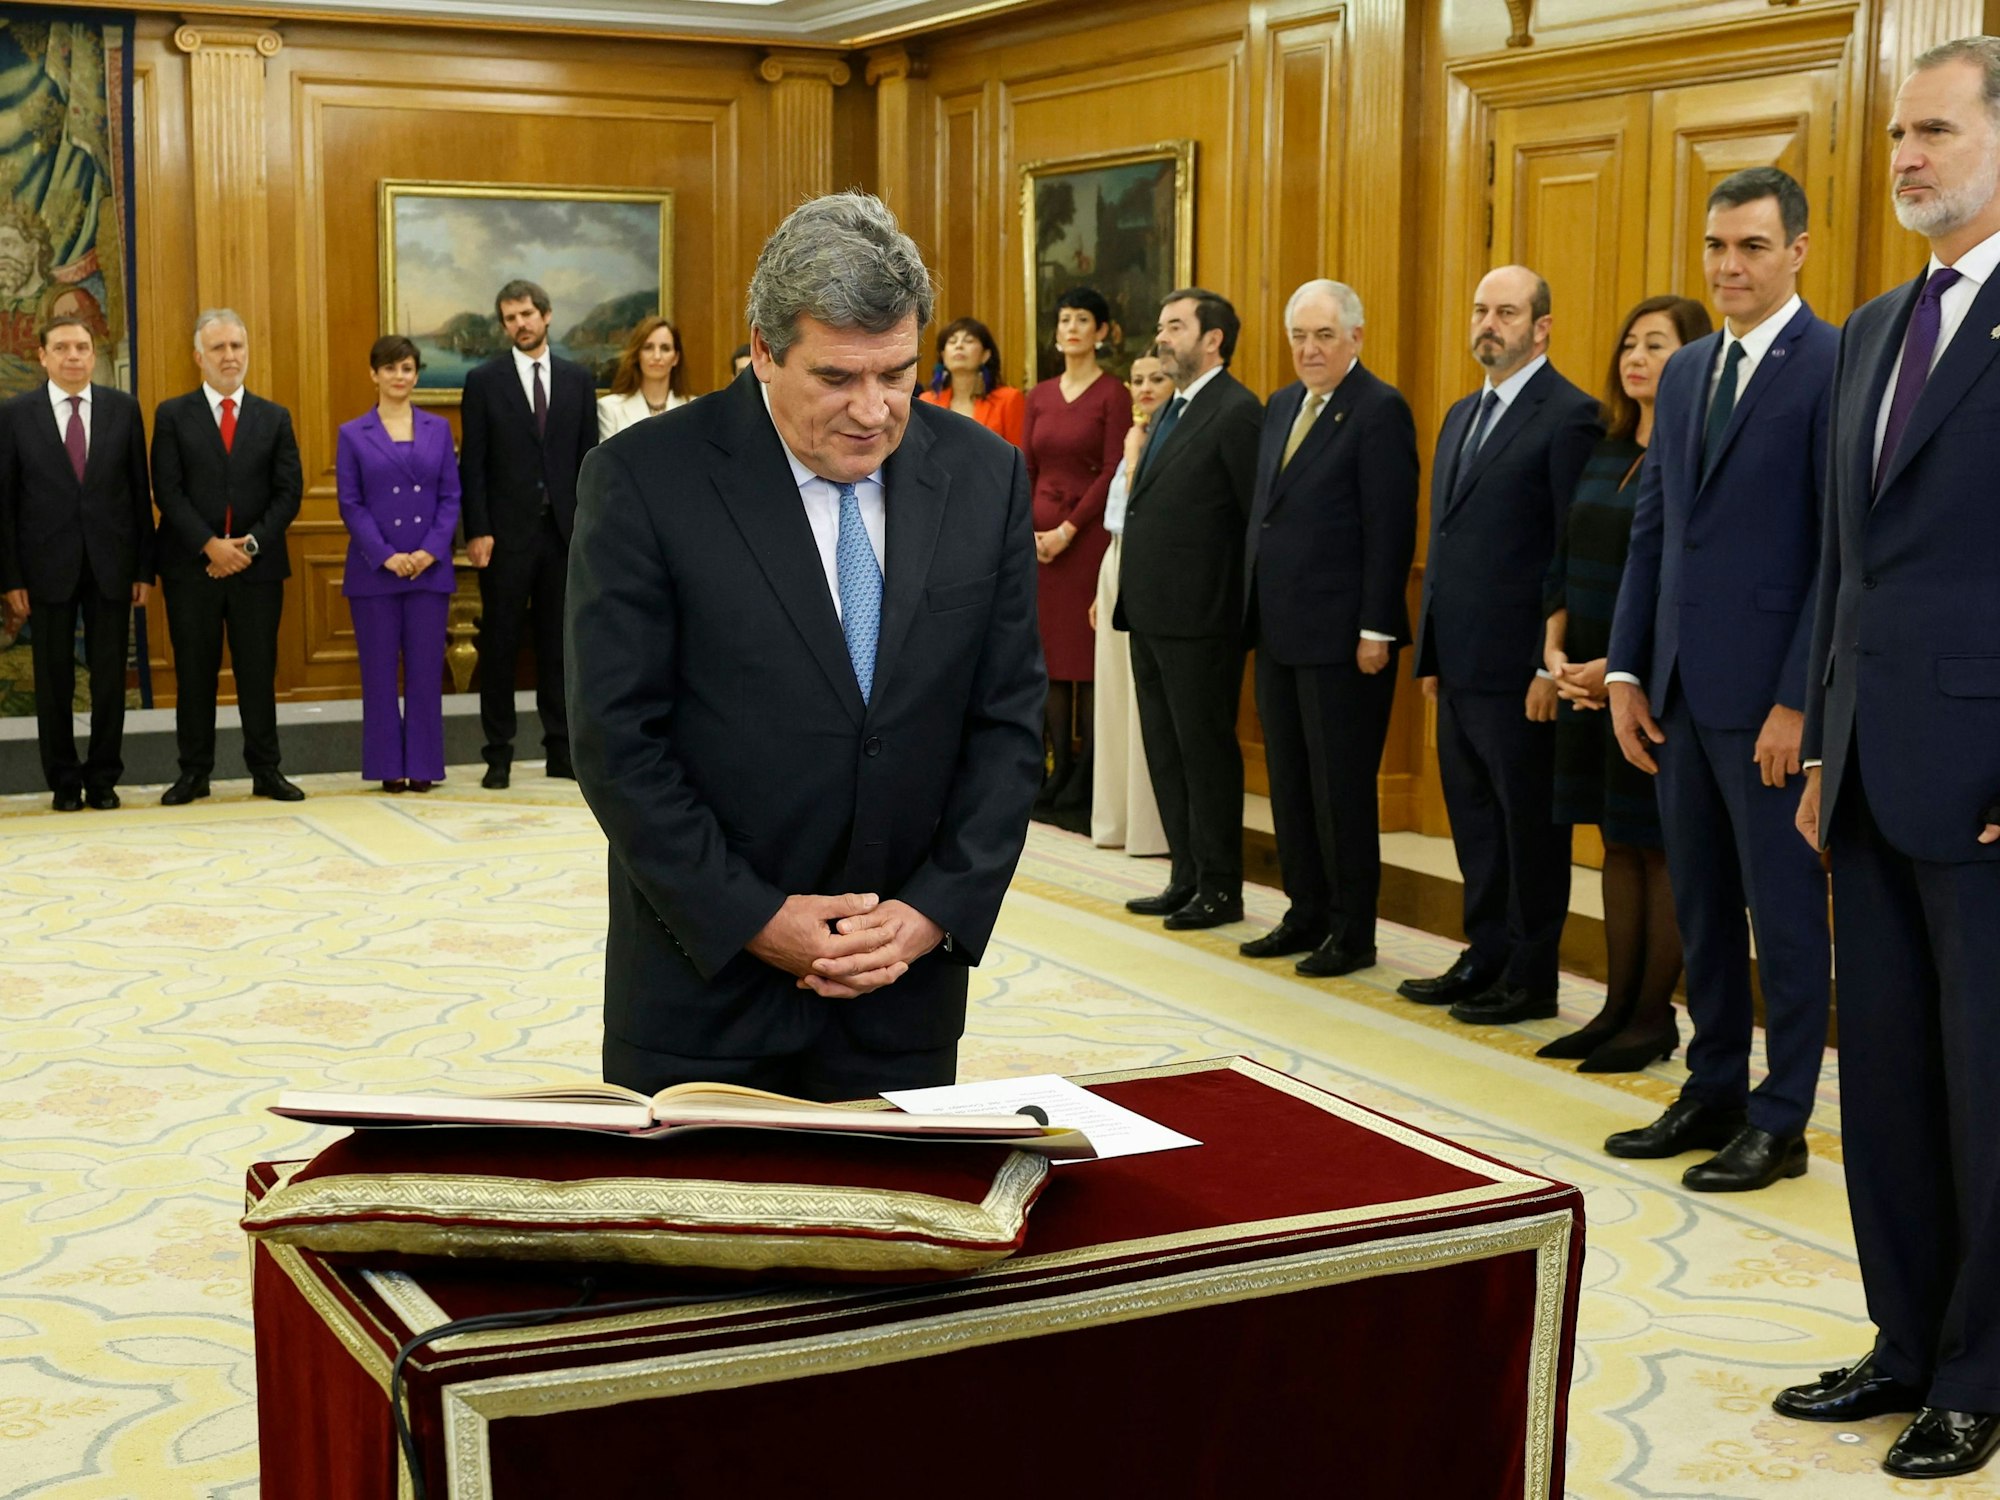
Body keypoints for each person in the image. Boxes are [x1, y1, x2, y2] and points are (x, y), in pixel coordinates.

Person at [567, 191, 1044, 1100]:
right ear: (761, 350)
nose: (874, 410)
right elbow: (617, 740)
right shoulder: (644, 480)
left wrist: (933, 910)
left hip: (901, 989)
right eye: (837, 378)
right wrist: (753, 916)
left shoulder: (983, 475)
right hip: (704, 988)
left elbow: (1008, 723)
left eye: (897, 373)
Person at [1777, 38, 2000, 1480]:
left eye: (1932, 130)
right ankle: (1905, 1337)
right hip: (1866, 764)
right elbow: (1843, 560)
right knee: (1896, 1083)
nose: (1905, 155)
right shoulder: (1869, 327)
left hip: (1985, 783)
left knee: (1991, 1087)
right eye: (1895, 135)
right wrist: (1816, 736)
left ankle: (1983, 1369)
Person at [1601, 168, 1836, 1191]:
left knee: (1780, 919)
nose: (1727, 265)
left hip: (1769, 706)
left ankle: (1779, 1117)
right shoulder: (1688, 369)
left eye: (1748, 246)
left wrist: (1798, 700)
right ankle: (1711, 1088)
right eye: (1713, 247)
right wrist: (1622, 669)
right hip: (1678, 692)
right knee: (1698, 905)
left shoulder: (1833, 363)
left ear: (1794, 252)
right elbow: (1651, 529)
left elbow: (1835, 552)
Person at [1400, 266, 1601, 1021]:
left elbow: (1567, 551)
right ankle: (1484, 953)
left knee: (1527, 831)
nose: (1490, 323)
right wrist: (1432, 656)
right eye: (1481, 309)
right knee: (1476, 822)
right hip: (1459, 665)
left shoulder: (1570, 416)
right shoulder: (1460, 413)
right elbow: (1445, 544)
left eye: (1507, 312)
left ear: (1541, 326)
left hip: (1523, 670)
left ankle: (1530, 974)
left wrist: (1550, 665)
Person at [1537, 294, 1710, 1069]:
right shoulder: (1605, 448)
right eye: (1630, 344)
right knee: (1615, 843)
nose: (1636, 359)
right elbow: (1566, 548)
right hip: (1585, 677)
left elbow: (1688, 577)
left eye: (1658, 345)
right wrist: (1555, 641)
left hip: (1653, 681)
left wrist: (1622, 667)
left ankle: (1652, 1016)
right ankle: (1615, 1007)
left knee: (1660, 847)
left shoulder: (1699, 446)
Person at [1239, 279, 1417, 977]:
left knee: (1340, 789)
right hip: (1280, 630)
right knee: (1289, 781)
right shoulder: (1282, 405)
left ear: (1356, 339)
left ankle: (1352, 932)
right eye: (1299, 337)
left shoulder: (1379, 410)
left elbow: (1390, 527)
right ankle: (1304, 910)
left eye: (1323, 336)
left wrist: (1378, 626)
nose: (1309, 350)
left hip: (1347, 639)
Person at [1114, 287, 1262, 928]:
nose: (1161, 337)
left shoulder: (1236, 411)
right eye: (1160, 323)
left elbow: (1253, 522)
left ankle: (1221, 886)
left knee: (1204, 753)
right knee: (1165, 750)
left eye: (1175, 326)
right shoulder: (1169, 409)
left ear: (1213, 340)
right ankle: (1185, 874)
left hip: (1203, 619)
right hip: (1150, 611)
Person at [150, 309, 306, 805]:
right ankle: (194, 773)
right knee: (194, 674)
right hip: (191, 567)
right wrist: (210, 545)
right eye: (218, 348)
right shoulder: (173, 415)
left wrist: (249, 547)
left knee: (257, 672)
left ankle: (266, 770)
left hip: (257, 570)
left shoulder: (274, 416)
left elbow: (290, 492)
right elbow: (167, 490)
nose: (229, 356)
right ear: (199, 357)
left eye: (237, 346)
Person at [0, 314, 153, 811]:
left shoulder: (123, 410)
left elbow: (137, 494)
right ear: (42, 356)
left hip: (112, 565)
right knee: (54, 681)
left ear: (93, 355)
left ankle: (104, 777)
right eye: (62, 348)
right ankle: (64, 780)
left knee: (109, 678)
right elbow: (4, 504)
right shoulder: (15, 416)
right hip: (45, 569)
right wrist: (11, 577)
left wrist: (142, 570)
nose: (73, 356)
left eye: (82, 347)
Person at [459, 278, 597, 788]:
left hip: (563, 536)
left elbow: (589, 461)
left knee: (560, 648)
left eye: (526, 314)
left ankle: (561, 752)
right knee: (498, 648)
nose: (519, 324)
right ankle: (498, 754)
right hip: (503, 538)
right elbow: (471, 464)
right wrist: (477, 530)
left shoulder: (578, 380)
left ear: (546, 316)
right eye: (509, 317)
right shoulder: (483, 381)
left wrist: (588, 528)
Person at [1022, 287, 1130, 833]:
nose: (1071, 328)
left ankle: (1087, 776)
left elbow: (1113, 469)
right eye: (1063, 318)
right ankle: (1057, 768)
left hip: (1085, 540)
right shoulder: (1039, 394)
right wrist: (1033, 530)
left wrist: (1067, 529)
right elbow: (1029, 465)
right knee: (1049, 664)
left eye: (1083, 319)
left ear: (1102, 332)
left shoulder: (1114, 394)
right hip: (1040, 542)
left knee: (1084, 665)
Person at [335, 336, 461, 794]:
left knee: (427, 674)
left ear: (416, 374)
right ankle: (388, 764)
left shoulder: (438, 429)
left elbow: (451, 496)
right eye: (389, 369)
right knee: (380, 674)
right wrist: (387, 555)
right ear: (374, 374)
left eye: (407, 368)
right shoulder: (353, 433)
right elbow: (350, 503)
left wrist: (429, 550)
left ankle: (425, 765)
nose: (399, 377)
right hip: (374, 572)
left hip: (429, 571)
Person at [1087, 347, 1171, 856]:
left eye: (1156, 378)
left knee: (1143, 702)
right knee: (1114, 696)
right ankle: (1115, 818)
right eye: (1137, 378)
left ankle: (1149, 826)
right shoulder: (1135, 433)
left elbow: (1148, 507)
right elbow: (1117, 520)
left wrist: (1136, 459)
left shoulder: (1158, 441)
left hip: (1149, 567)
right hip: (1116, 563)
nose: (1144, 388)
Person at [918, 317, 1025, 445]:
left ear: (985, 355)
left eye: (968, 341)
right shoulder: (927, 401)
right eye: (952, 341)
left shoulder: (1009, 399)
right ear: (943, 356)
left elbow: (1018, 455)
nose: (959, 346)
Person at [597, 316, 689, 439]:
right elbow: (607, 458)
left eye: (665, 348)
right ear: (637, 355)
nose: (657, 356)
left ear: (676, 358)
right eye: (648, 347)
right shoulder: (610, 409)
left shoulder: (693, 408)